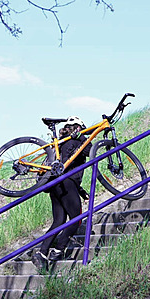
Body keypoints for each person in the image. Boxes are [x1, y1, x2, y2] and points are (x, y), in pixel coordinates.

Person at [32, 116, 91, 272]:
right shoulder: (79, 140)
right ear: (79, 127)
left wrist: (80, 190)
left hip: (56, 185)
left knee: (59, 221)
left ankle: (42, 253)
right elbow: (91, 151)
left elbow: (65, 166)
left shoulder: (62, 143)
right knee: (77, 220)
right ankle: (58, 250)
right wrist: (84, 137)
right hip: (67, 183)